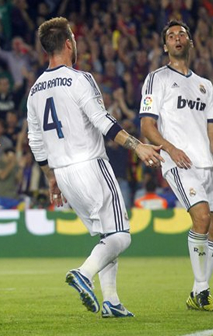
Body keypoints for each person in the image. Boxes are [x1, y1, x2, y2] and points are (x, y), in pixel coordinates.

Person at [26, 17, 164, 318]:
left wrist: (51, 178)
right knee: (122, 236)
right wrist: (137, 145)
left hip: (63, 172)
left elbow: (35, 142)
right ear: (68, 43)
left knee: (107, 236)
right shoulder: (79, 79)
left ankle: (111, 301)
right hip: (91, 165)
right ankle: (83, 274)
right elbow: (103, 122)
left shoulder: (34, 90)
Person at [140, 20, 213, 312]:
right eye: (171, 36)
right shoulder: (157, 79)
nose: (176, 38)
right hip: (179, 162)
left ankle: (198, 290)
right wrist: (171, 149)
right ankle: (202, 292)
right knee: (200, 217)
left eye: (181, 34)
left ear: (190, 42)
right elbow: (147, 125)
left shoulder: (205, 86)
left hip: (208, 164)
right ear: (165, 46)